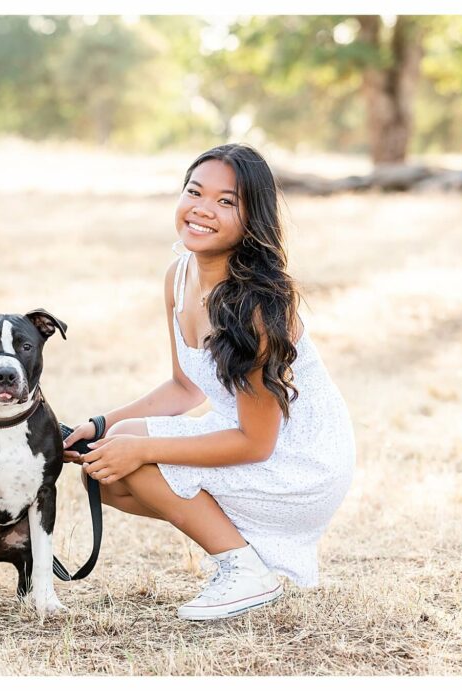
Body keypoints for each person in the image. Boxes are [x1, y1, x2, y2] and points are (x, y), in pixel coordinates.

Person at [63, 143, 355, 621]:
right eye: (194, 192)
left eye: (226, 201)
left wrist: (141, 450)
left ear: (252, 218)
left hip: (299, 461)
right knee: (110, 474)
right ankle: (239, 545)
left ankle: (245, 570)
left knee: (135, 459)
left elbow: (257, 443)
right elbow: (184, 387)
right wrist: (99, 425)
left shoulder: (255, 307)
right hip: (252, 441)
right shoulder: (179, 276)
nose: (202, 209)